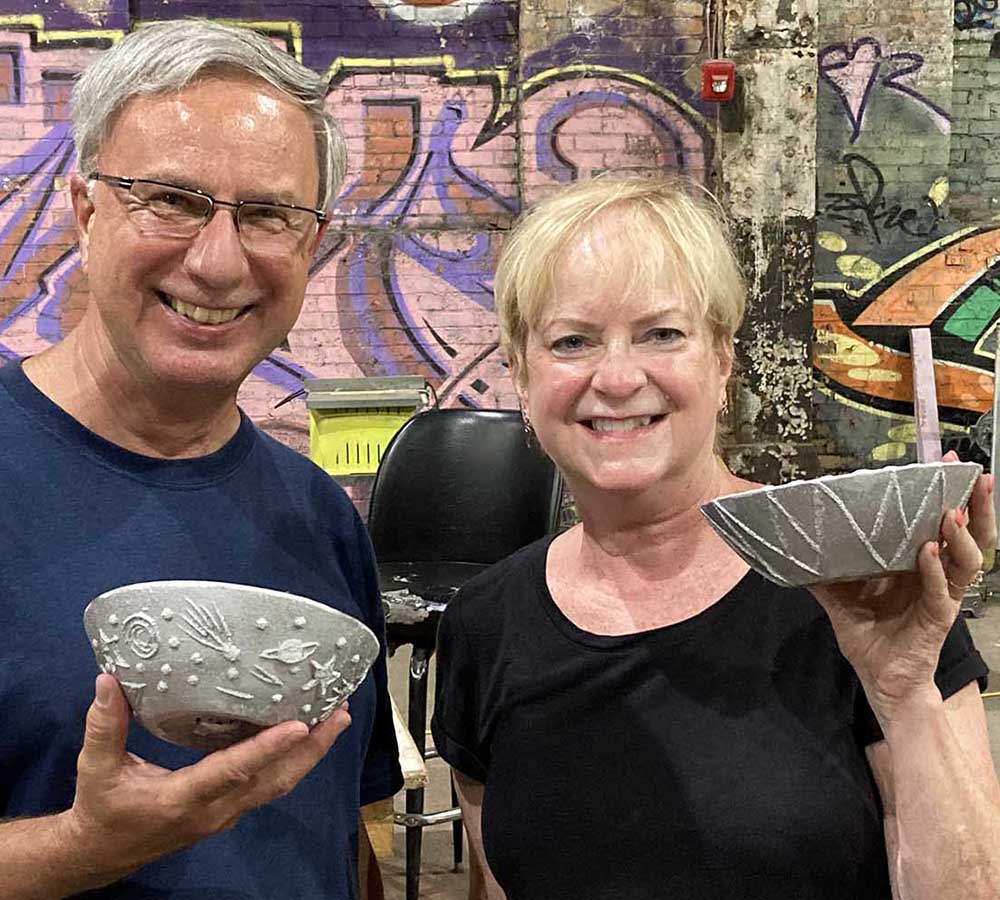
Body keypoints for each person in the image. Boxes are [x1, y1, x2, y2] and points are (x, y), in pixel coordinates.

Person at [431, 175, 1000, 899]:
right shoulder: (485, 625)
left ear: (723, 358)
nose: (617, 376)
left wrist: (905, 692)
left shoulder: (863, 585)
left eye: (661, 333)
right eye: (571, 341)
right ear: (518, 372)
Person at [0, 20, 402, 900]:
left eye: (267, 214)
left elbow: (343, 826)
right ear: (86, 211)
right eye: (171, 199)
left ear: (311, 242)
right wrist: (77, 847)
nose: (218, 262)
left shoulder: (320, 516)